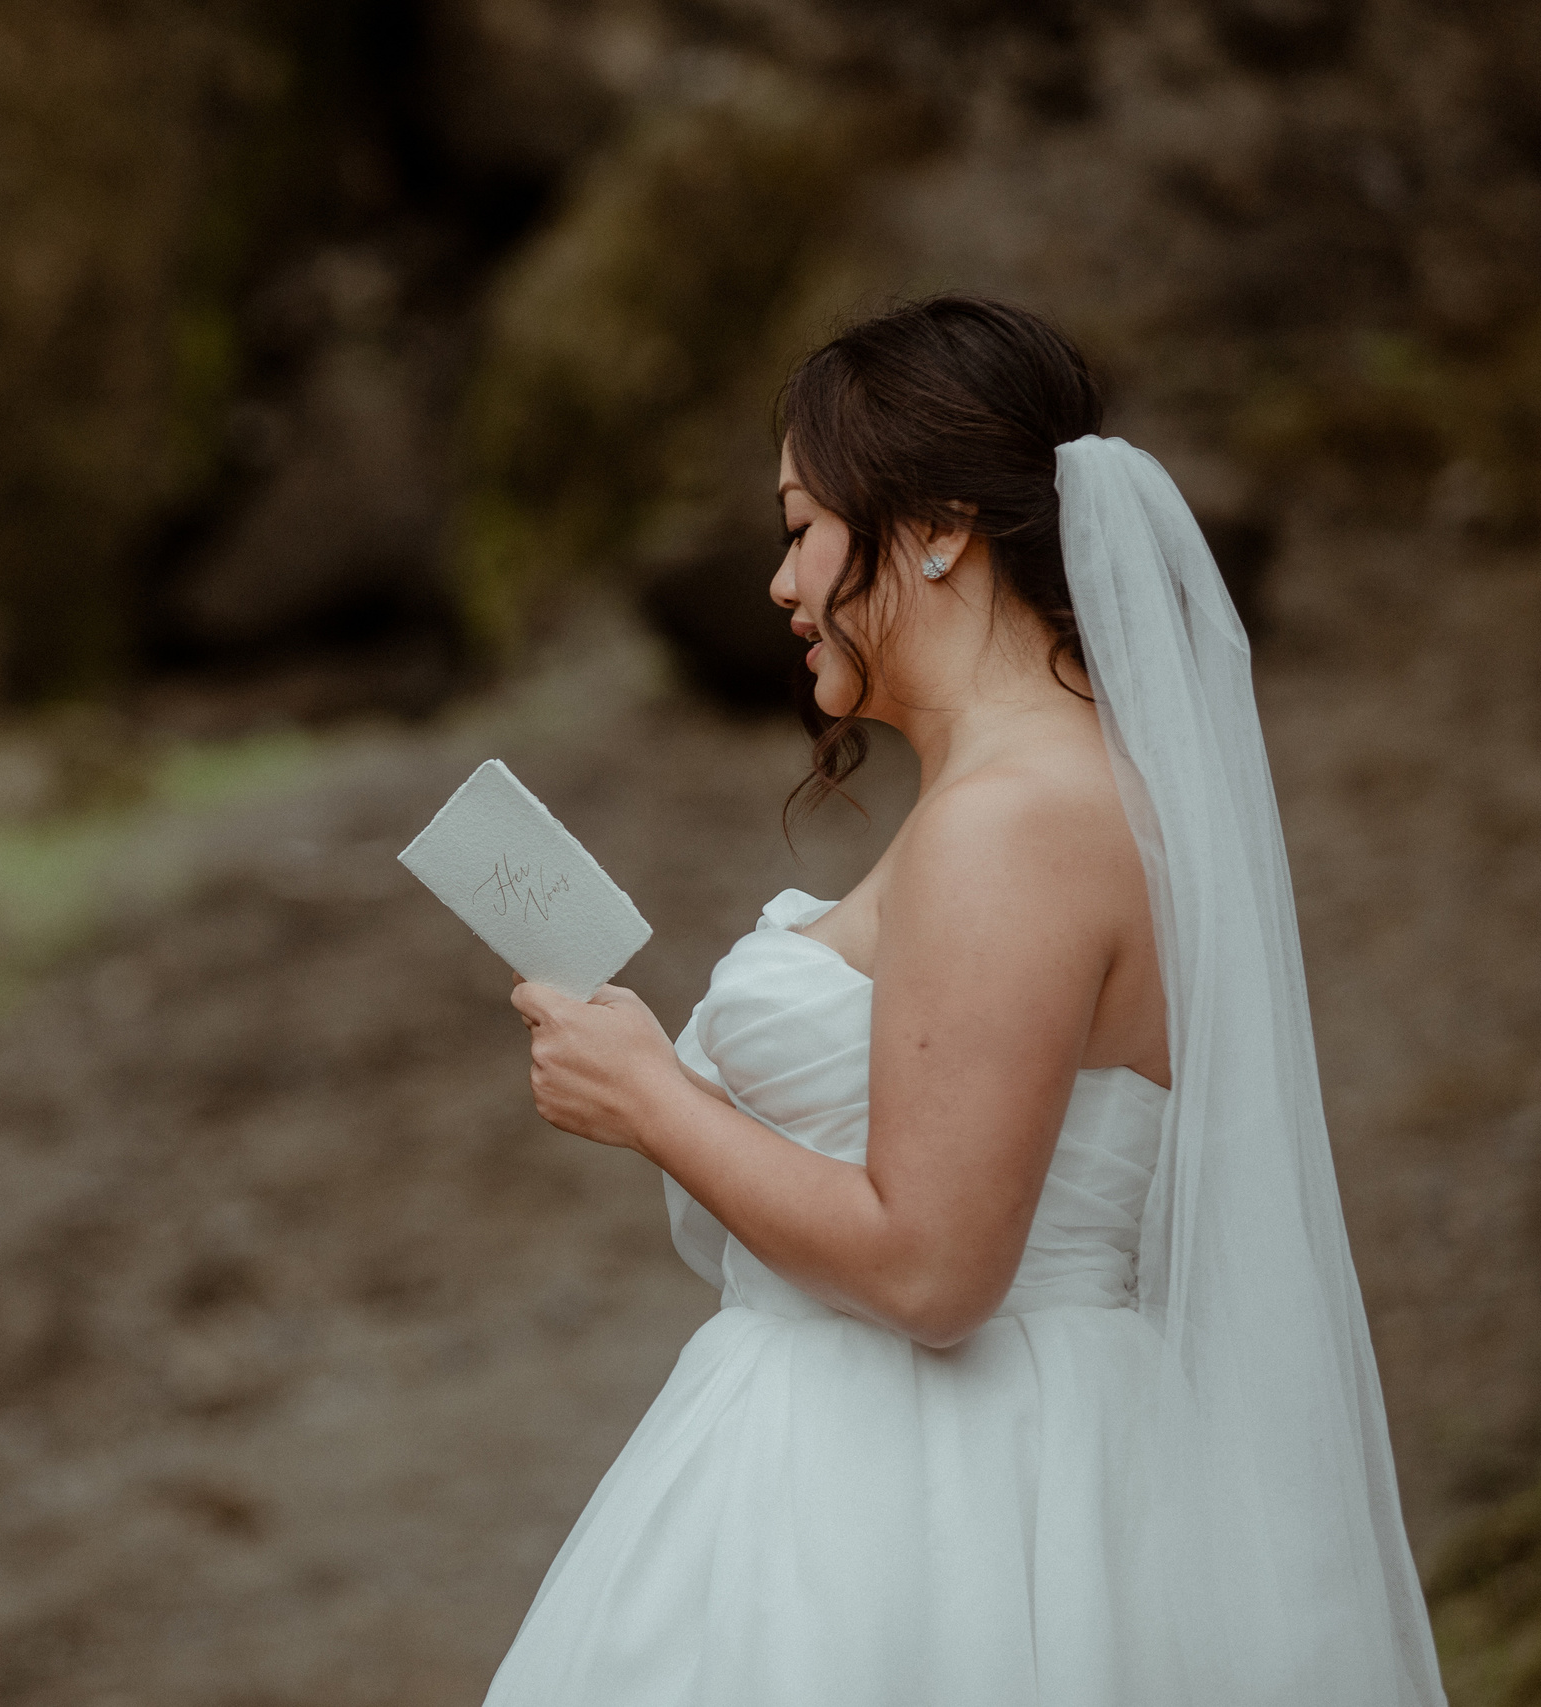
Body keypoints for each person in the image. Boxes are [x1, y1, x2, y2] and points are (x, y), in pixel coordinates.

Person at [485, 297, 1444, 1705]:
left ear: (935, 530)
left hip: (934, 1503)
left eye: (804, 526)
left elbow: (934, 1271)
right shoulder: (1053, 792)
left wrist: (652, 1105)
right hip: (981, 1465)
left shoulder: (1017, 821)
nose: (781, 581)